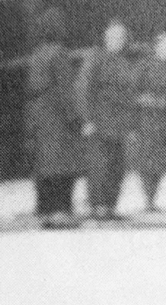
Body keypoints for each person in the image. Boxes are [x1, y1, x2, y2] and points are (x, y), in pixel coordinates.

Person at [25, 6, 81, 228]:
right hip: (57, 115)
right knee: (63, 164)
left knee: (44, 165)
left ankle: (46, 211)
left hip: (39, 115)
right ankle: (61, 211)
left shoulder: (37, 54)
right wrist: (74, 117)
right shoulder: (60, 53)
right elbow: (66, 89)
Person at [77, 19, 138, 221]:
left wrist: (131, 125)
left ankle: (110, 206)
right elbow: (83, 89)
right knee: (98, 166)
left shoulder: (124, 62)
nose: (117, 40)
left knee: (117, 167)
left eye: (121, 37)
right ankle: (98, 207)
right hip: (99, 123)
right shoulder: (94, 58)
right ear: (105, 38)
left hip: (119, 124)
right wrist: (87, 119)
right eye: (113, 37)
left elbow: (129, 96)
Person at [134, 31, 166, 212]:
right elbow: (132, 91)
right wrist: (150, 100)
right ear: (157, 46)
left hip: (165, 121)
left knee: (160, 162)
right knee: (147, 161)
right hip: (146, 120)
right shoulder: (144, 65)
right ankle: (148, 199)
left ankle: (153, 199)